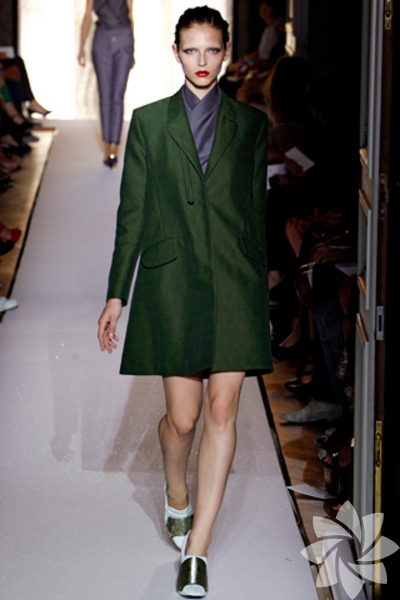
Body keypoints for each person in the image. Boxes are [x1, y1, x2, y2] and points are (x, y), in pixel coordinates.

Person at [97, 6, 272, 597]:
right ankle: (176, 487)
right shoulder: (149, 122)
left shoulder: (251, 124)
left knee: (222, 410)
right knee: (184, 418)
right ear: (175, 52)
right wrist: (117, 293)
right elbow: (133, 213)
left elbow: (255, 214)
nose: (202, 61)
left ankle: (197, 548)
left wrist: (262, 290)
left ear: (225, 53)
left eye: (211, 50)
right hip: (172, 282)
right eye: (191, 50)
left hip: (233, 282)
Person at [78, 0, 135, 167]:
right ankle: (107, 143)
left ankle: (113, 145)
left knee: (118, 95)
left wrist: (133, 48)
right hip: (102, 39)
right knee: (104, 95)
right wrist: (81, 47)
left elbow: (130, 14)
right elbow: (87, 15)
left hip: (124, 39)